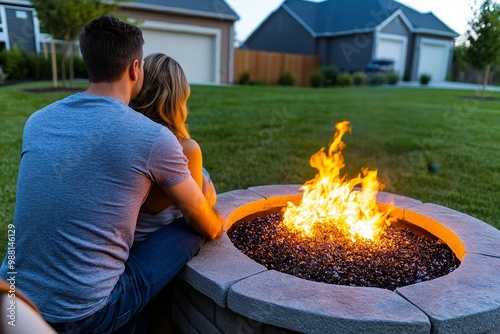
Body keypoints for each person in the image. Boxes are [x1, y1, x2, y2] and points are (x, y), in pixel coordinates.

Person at [0, 15, 223, 334]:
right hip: (82, 317)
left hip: (13, 303)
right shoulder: (154, 138)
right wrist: (214, 219)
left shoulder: (37, 121)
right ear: (135, 69)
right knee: (191, 232)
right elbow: (202, 219)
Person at [130, 53, 216, 243]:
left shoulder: (126, 137)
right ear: (177, 101)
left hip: (121, 241)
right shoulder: (184, 149)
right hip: (152, 247)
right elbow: (199, 223)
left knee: (202, 172)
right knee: (203, 176)